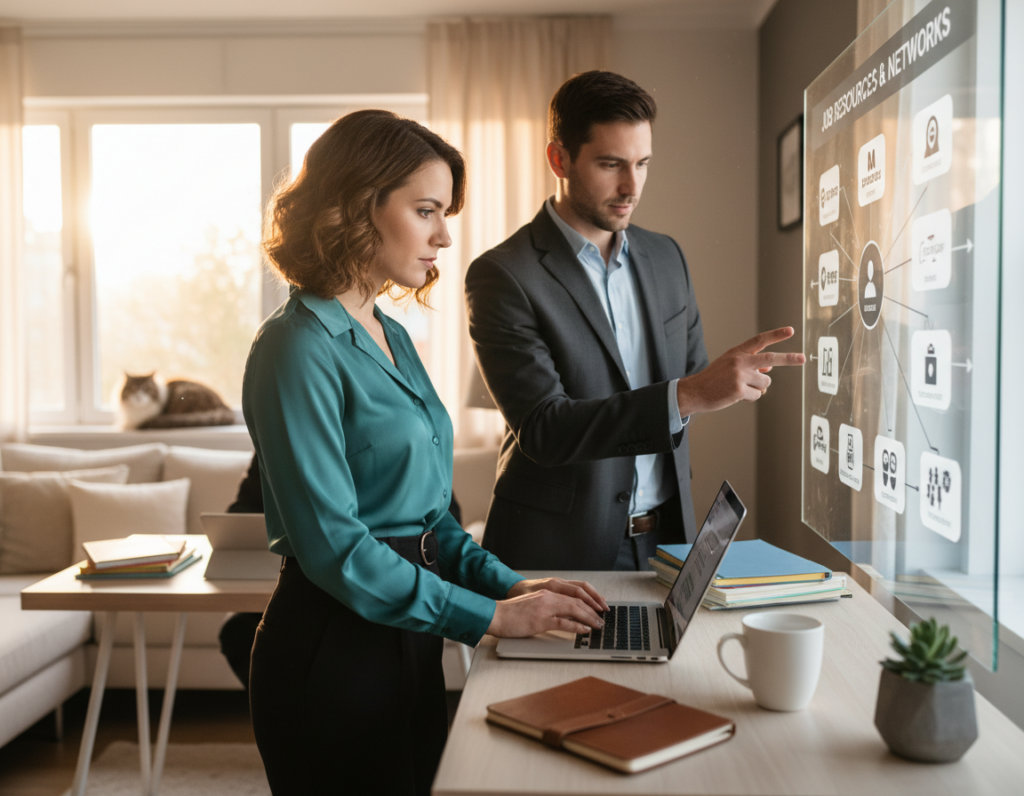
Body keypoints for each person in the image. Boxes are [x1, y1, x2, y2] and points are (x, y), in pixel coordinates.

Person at [242, 109, 608, 796]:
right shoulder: (294, 349)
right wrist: (493, 619)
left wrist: (511, 587)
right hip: (331, 655)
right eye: (426, 210)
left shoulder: (390, 334)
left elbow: (432, 518)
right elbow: (337, 550)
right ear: (357, 206)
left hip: (410, 641)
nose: (444, 233)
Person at [465, 71, 805, 572]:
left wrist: (722, 380)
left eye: (643, 164)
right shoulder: (502, 275)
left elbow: (691, 375)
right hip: (556, 551)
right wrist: (691, 393)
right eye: (611, 164)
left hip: (669, 541)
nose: (631, 186)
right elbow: (544, 429)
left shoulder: (667, 257)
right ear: (559, 159)